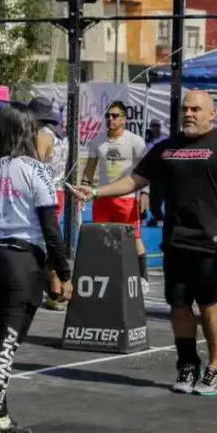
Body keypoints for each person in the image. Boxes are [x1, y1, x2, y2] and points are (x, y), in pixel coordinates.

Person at [73, 90, 217, 396]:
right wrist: (94, 193)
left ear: (211, 114)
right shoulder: (168, 148)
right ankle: (187, 364)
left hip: (211, 242)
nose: (189, 113)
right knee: (179, 307)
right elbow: (135, 180)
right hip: (176, 241)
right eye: (185, 108)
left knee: (208, 305)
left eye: (196, 109)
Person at [0, 104, 72, 433]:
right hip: (19, 263)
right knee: (5, 346)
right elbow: (51, 230)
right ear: (26, 132)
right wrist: (64, 273)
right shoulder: (35, 170)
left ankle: (1, 418)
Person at [82, 100, 149, 293]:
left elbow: (146, 171)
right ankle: (105, 275)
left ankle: (143, 278)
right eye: (108, 116)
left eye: (115, 116)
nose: (110, 119)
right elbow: (89, 170)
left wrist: (145, 193)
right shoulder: (97, 141)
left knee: (134, 238)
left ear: (124, 119)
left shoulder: (135, 141)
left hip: (127, 199)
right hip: (102, 198)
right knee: (101, 238)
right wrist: (84, 189)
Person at [29, 97, 70, 312]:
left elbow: (34, 165)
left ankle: (56, 290)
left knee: (46, 241)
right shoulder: (61, 135)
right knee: (52, 238)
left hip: (45, 192)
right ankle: (56, 288)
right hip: (58, 190)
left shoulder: (41, 136)